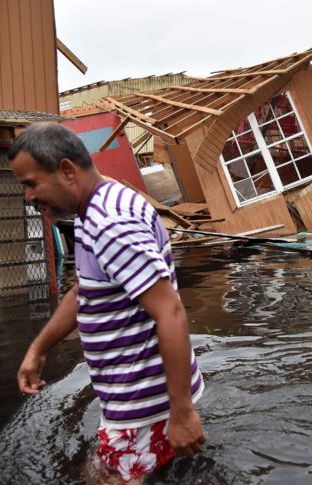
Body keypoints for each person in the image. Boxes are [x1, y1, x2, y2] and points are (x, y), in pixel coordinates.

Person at [11, 122, 205, 482]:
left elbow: (170, 312)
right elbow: (85, 289)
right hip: (138, 397)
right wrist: (38, 349)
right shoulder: (94, 209)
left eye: (31, 183)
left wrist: (181, 414)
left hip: (142, 405)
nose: (29, 197)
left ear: (67, 170)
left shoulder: (110, 224)